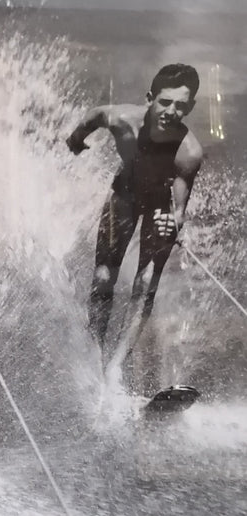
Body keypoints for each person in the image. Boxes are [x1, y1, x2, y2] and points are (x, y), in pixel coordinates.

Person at [67, 63, 204, 389]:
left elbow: (180, 207)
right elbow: (92, 117)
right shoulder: (121, 119)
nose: (172, 111)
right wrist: (75, 140)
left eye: (181, 106)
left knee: (145, 284)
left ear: (191, 107)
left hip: (160, 202)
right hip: (124, 194)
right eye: (165, 102)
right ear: (149, 98)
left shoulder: (189, 151)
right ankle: (95, 356)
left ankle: (115, 368)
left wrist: (173, 220)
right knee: (103, 278)